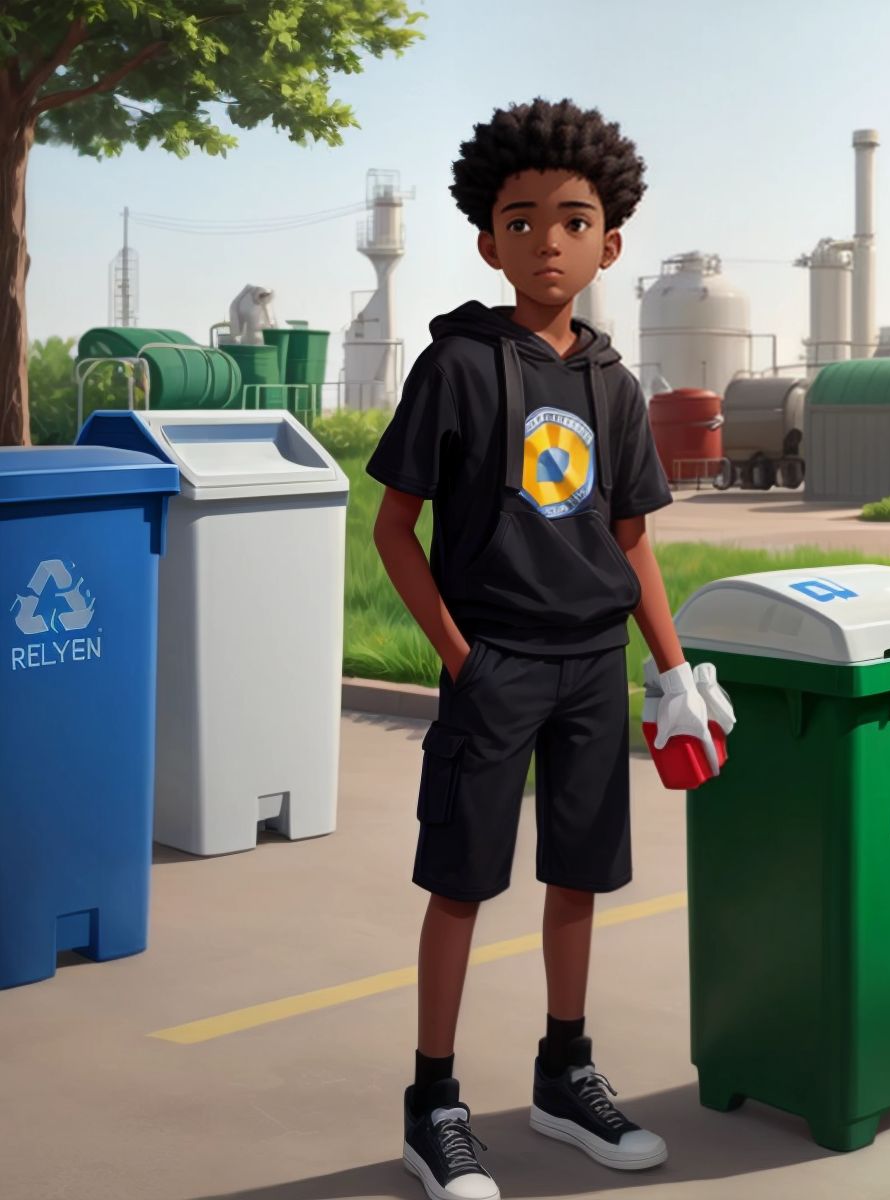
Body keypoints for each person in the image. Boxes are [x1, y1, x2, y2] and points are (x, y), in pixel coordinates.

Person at [368, 96, 734, 1200]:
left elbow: (632, 545)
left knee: (578, 876)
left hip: (592, 668)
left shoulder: (614, 387)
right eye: (521, 223)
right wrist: (464, 659)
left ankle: (562, 1075)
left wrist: (672, 671)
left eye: (572, 222)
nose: (547, 243)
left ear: (609, 242)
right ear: (489, 240)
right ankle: (433, 1103)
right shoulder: (460, 366)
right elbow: (394, 529)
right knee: (464, 884)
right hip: (499, 665)